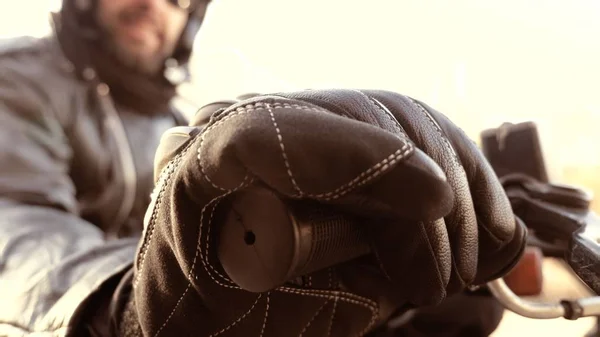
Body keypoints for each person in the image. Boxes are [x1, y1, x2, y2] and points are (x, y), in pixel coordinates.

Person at [0, 0, 527, 336]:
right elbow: (17, 229)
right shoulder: (19, 81)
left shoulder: (173, 122)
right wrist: (123, 298)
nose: (152, 3)